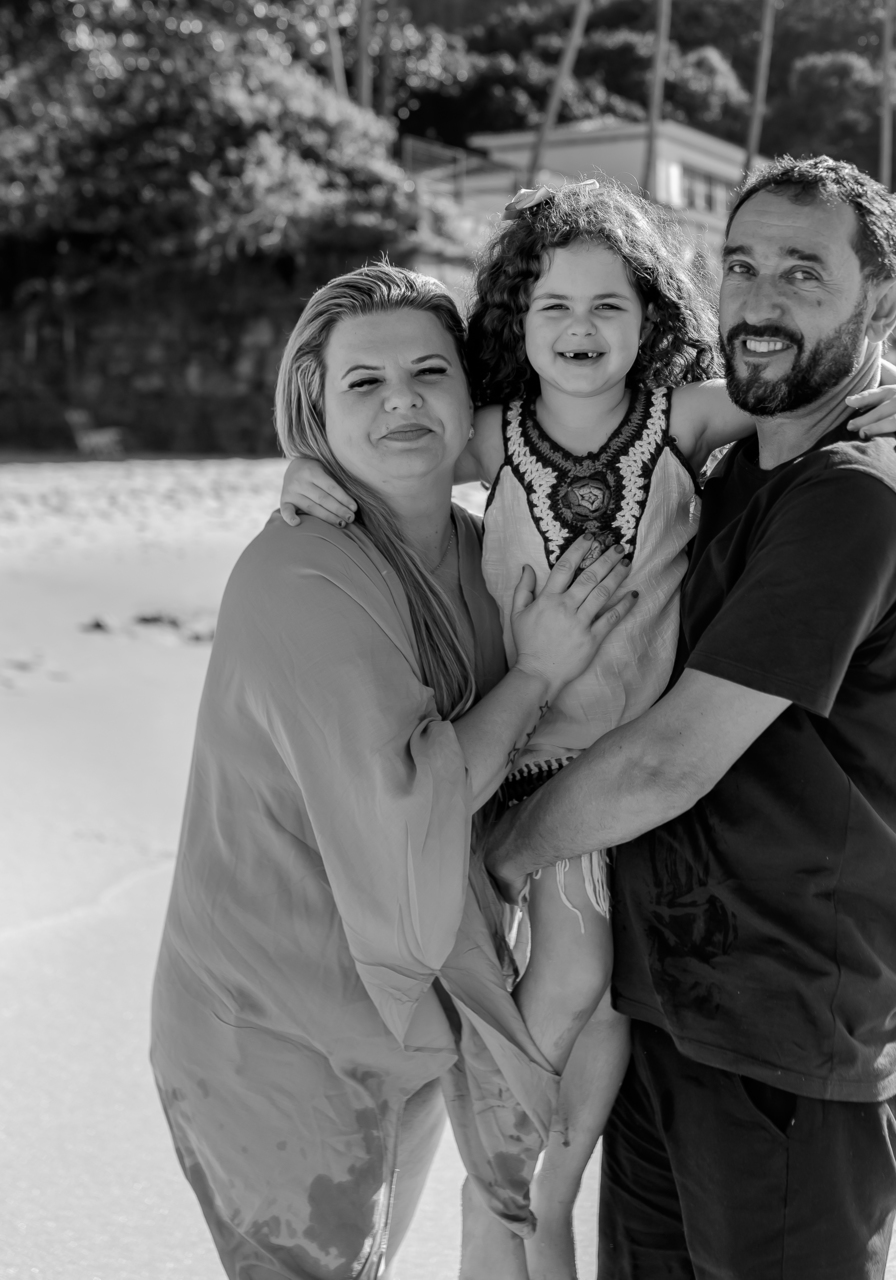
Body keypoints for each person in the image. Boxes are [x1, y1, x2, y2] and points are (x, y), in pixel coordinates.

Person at [281, 180, 896, 1280]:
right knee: (570, 1012)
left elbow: (814, 393)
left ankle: (522, 1154)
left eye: (608, 308)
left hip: (645, 803)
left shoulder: (692, 426)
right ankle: (502, 1112)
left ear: (650, 322)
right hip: (545, 767)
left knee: (596, 1035)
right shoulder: (498, 437)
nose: (580, 332)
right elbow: (386, 441)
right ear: (516, 325)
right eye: (553, 310)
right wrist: (305, 464)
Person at [488, 156, 896, 1280]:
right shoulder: (748, 463)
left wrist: (500, 852)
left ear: (882, 302)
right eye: (741, 265)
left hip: (789, 1040)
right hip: (674, 1010)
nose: (758, 298)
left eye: (804, 272)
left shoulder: (859, 496)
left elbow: (667, 760)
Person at [150, 263, 638, 1280]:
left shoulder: (486, 550)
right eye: (362, 384)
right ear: (315, 413)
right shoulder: (302, 574)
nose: (403, 398)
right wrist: (539, 669)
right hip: (269, 1027)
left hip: (405, 1014)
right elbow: (417, 800)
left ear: (474, 402)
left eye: (429, 371)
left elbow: (665, 421)